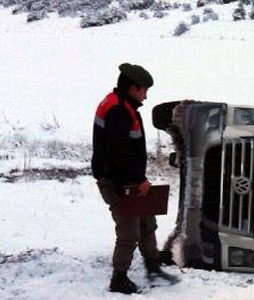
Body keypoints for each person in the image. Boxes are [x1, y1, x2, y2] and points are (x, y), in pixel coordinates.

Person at [92, 63, 173, 294]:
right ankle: (119, 279)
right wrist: (138, 179)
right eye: (144, 90)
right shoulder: (118, 110)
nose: (146, 96)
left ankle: (153, 267)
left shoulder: (120, 104)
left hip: (127, 178)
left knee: (147, 222)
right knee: (129, 232)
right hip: (117, 181)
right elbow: (118, 153)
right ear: (133, 88)